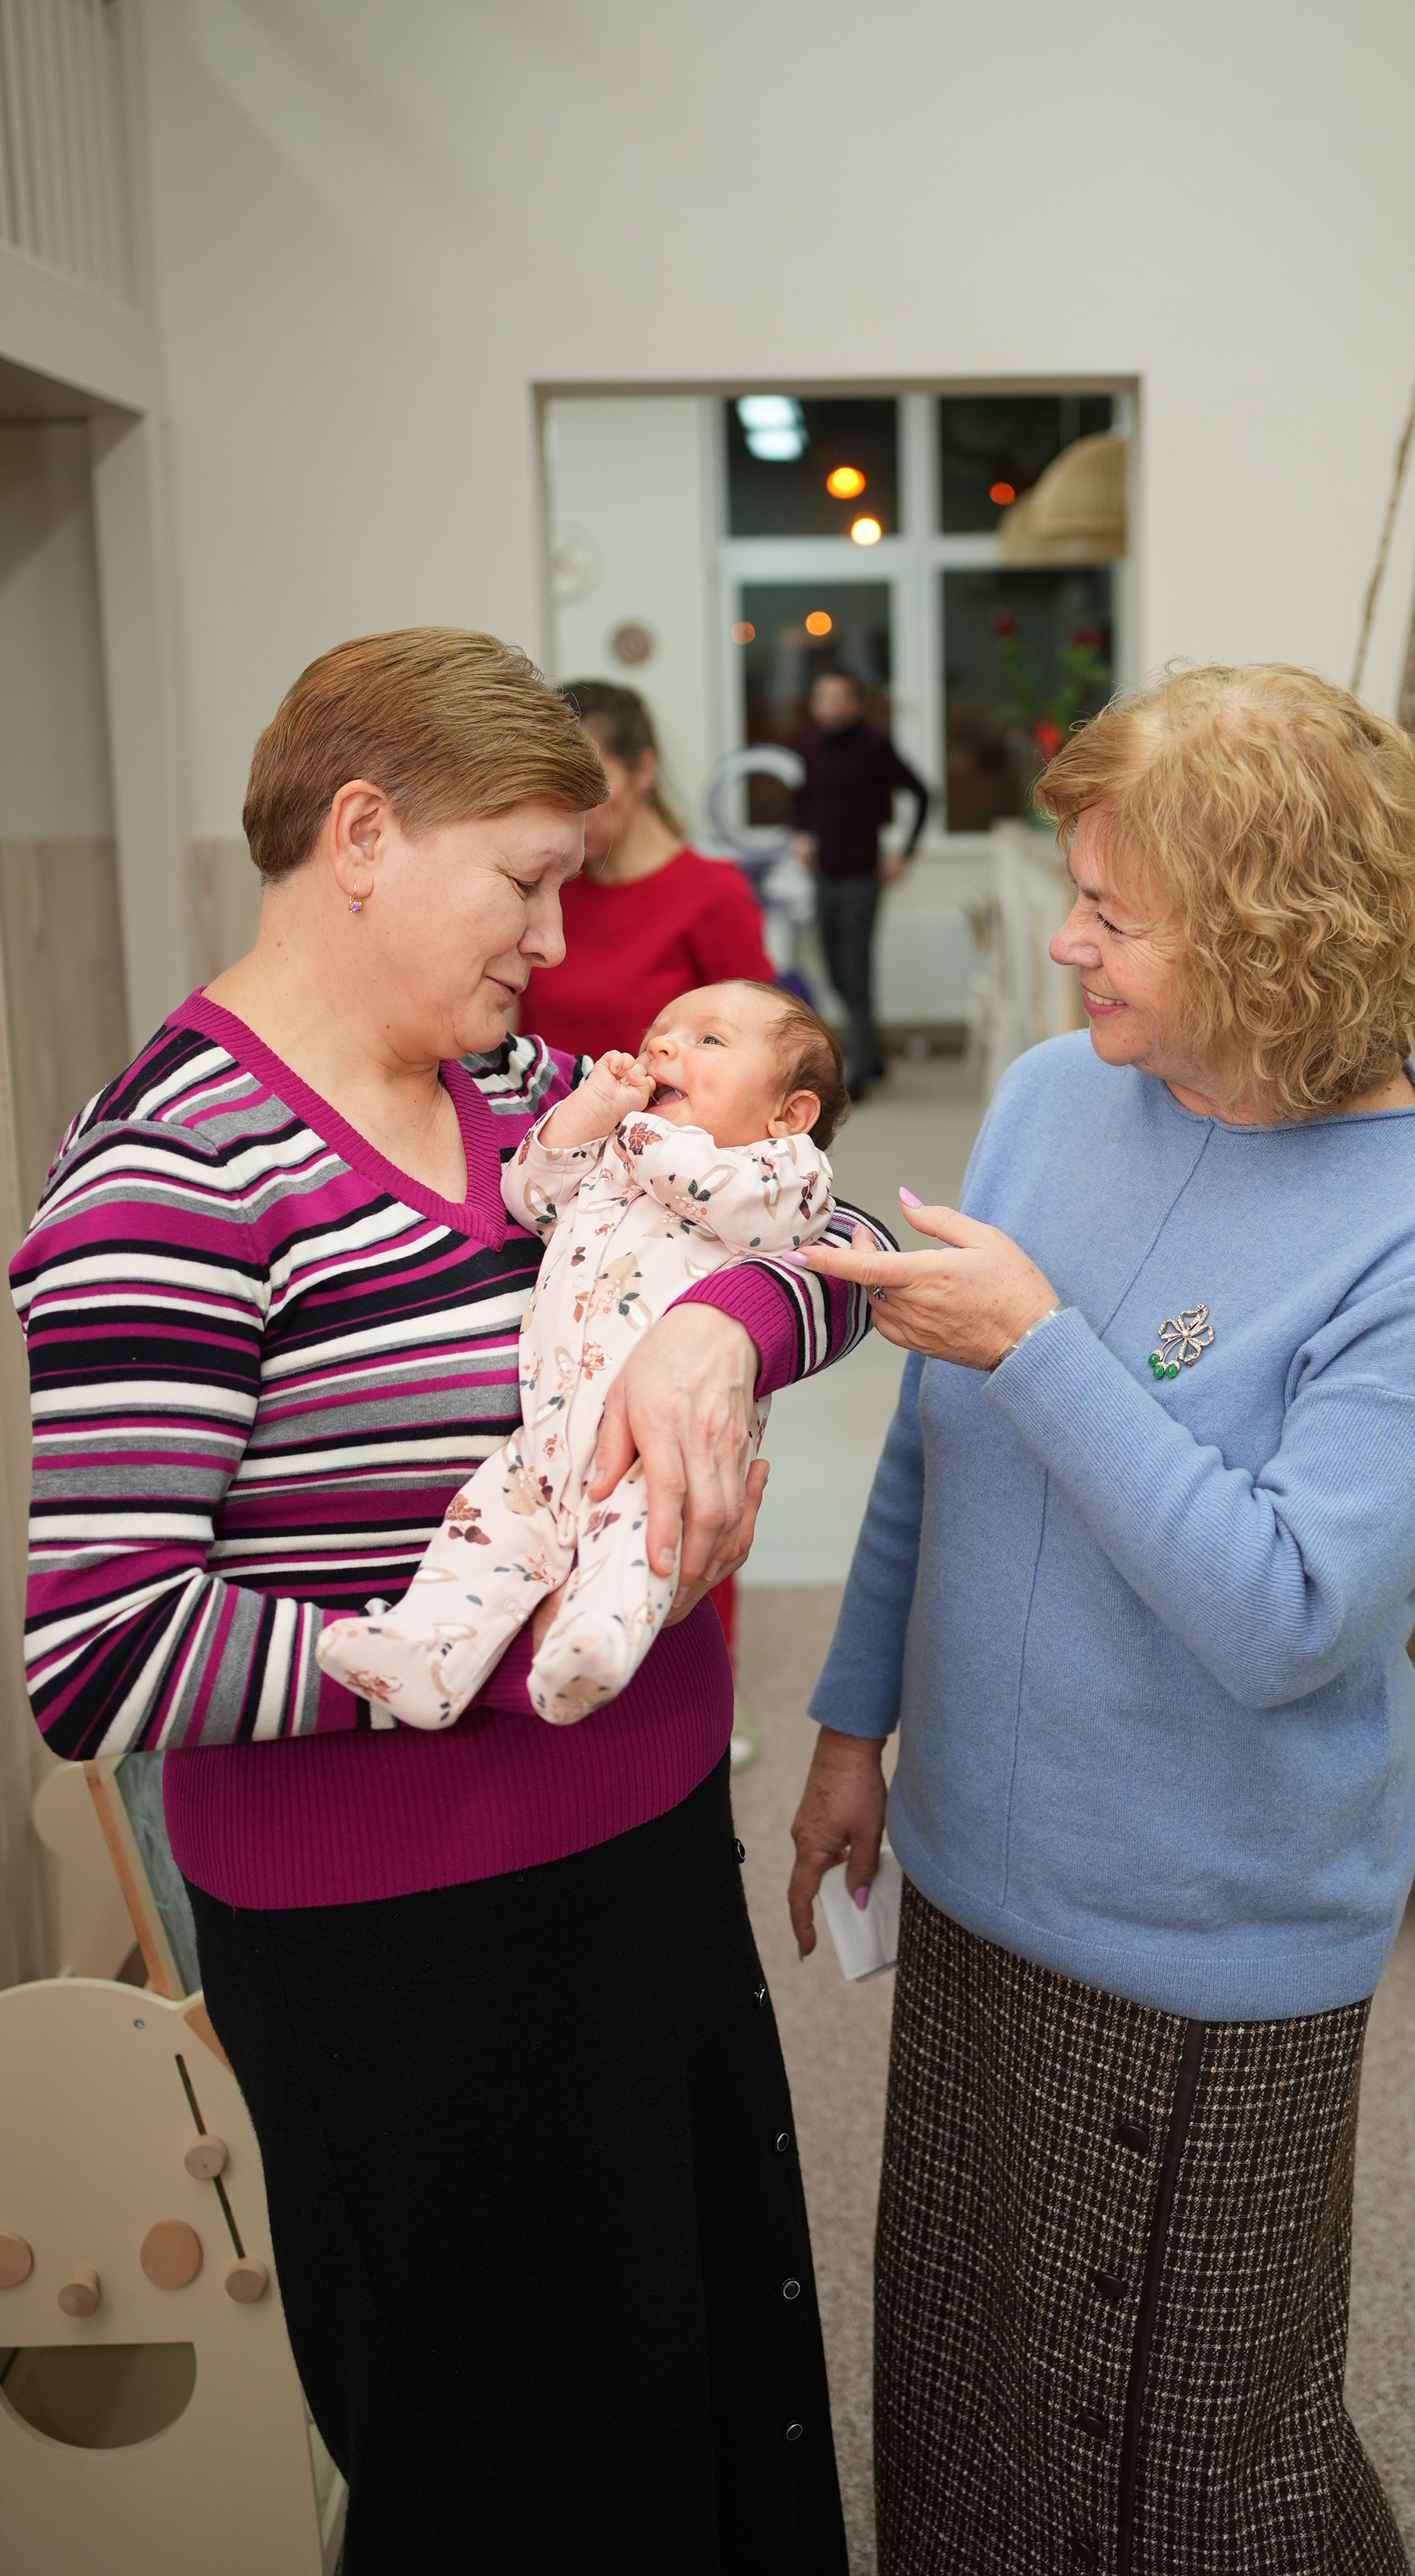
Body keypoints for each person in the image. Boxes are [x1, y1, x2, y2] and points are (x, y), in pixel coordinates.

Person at [10, 630, 888, 2575]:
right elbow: (98, 1651)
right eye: (525, 882)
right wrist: (489, 1649)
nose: (558, 941)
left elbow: (833, 1227)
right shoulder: (169, 1176)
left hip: (645, 1847)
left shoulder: (519, 1087)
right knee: (506, 2467)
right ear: (362, 837)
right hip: (398, 1944)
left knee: (701, 2401)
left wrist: (721, 1338)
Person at [785, 663, 1415, 2576]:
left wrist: (1040, 1343)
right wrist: (853, 1727)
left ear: (1274, 934)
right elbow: (932, 1449)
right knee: (965, 2399)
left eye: (1112, 912)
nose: (1064, 944)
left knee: (1189, 2468)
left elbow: (1285, 1616)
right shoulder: (1055, 1096)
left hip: (1201, 1940)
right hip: (972, 1872)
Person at [320, 981, 846, 1729]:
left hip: (653, 1445)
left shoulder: (786, 1172)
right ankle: (427, 1652)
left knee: (636, 1542)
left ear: (788, 1115)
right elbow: (529, 1196)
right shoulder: (617, 1148)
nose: (663, 1045)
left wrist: (636, 1134)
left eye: (709, 1040)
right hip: (547, 1424)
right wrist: (589, 1114)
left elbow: (743, 1211)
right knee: (482, 1530)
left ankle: (596, 1645)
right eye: (661, 1031)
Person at [519, 678, 777, 1731]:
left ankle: (697, 1680)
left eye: (600, 792)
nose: (584, 820)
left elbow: (769, 1058)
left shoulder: (707, 894)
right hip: (578, 1188)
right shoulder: (554, 897)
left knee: (682, 1444)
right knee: (576, 1442)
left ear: (643, 770)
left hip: (684, 1206)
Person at [519, 678, 774, 1053]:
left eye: (589, 781)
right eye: (554, 785)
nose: (569, 805)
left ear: (642, 770)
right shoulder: (550, 889)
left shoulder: (713, 892)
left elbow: (759, 1051)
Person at [790, 666, 930, 1099]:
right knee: (834, 968)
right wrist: (800, 834)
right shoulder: (809, 744)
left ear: (854, 703)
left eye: (839, 698)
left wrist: (904, 852)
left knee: (855, 969)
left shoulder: (874, 745)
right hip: (824, 874)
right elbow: (802, 797)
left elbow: (922, 793)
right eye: (823, 698)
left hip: (862, 877)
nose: (831, 707)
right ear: (814, 704)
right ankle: (875, 1054)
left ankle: (862, 1066)